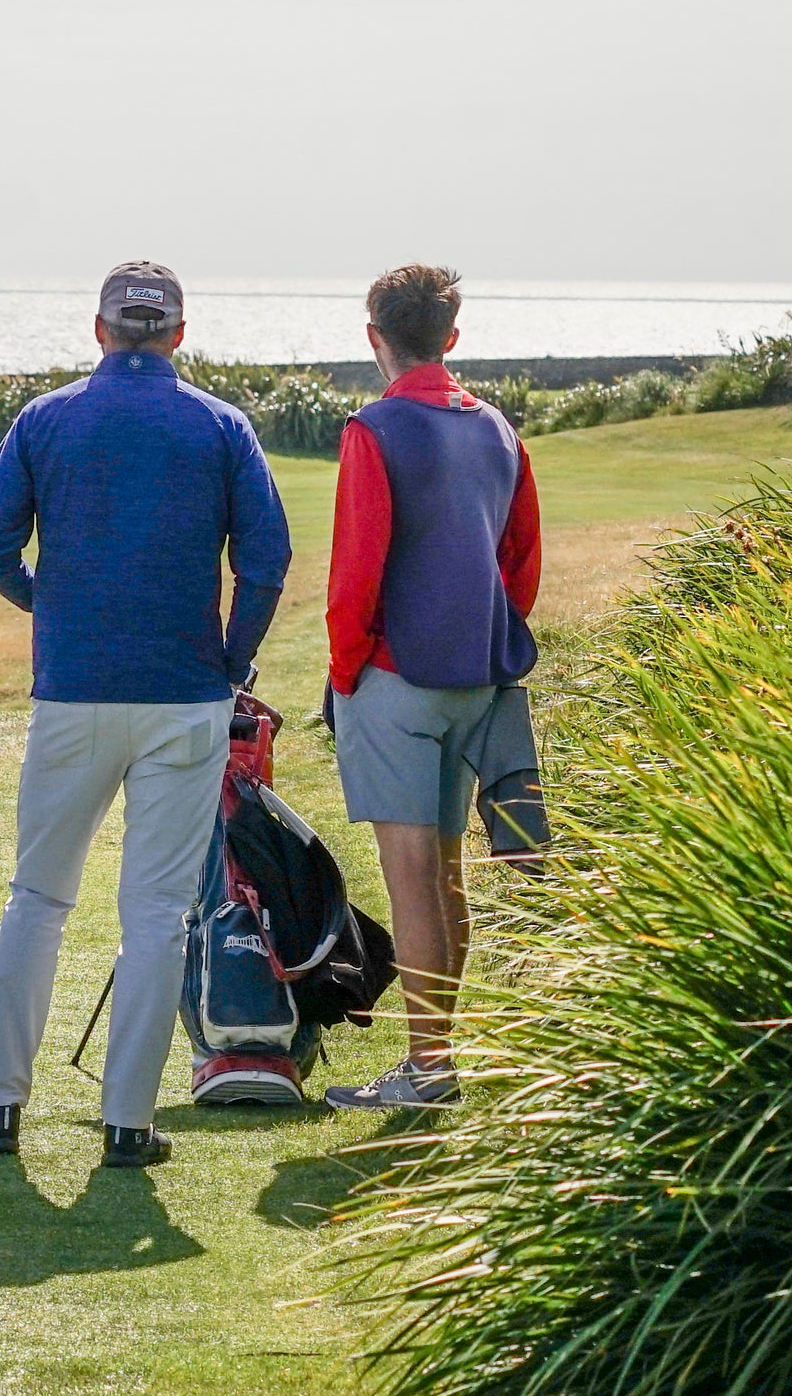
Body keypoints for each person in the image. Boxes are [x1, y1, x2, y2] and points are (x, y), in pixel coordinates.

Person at [0, 260, 292, 1167]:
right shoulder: (221, 425)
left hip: (74, 690)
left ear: (101, 329)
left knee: (38, 897)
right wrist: (232, 660)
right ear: (178, 334)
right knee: (157, 914)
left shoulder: (47, 418)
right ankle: (127, 1124)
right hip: (185, 695)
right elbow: (266, 562)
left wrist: (49, 606)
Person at [318, 263, 542, 1113]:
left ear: (374, 337)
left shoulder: (373, 429)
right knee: (446, 877)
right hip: (476, 681)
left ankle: (428, 1069)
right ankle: (437, 1062)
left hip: (393, 678)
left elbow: (355, 574)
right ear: (450, 336)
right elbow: (520, 566)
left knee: (412, 879)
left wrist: (346, 674)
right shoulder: (499, 430)